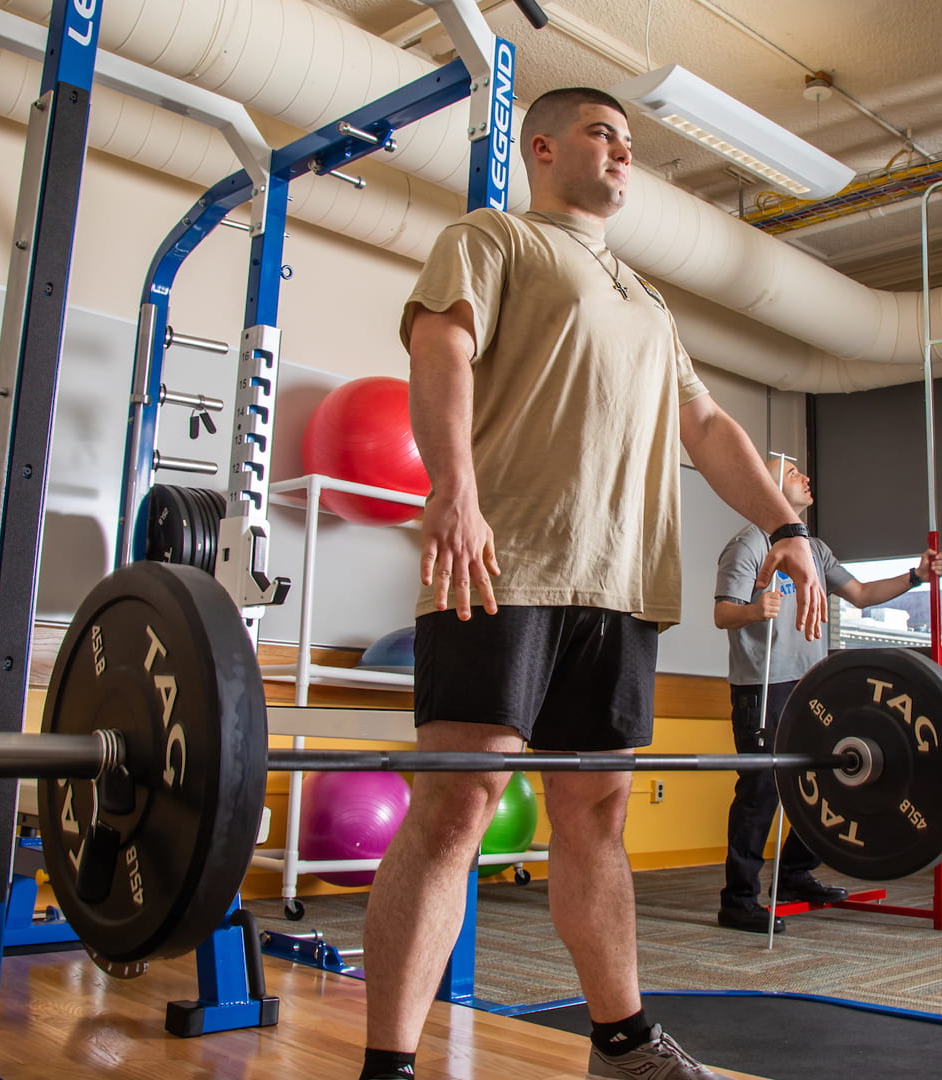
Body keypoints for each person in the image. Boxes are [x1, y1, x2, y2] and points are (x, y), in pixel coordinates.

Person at [356, 87, 827, 1080]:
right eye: (602, 135)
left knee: (596, 816)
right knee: (456, 807)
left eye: (629, 143)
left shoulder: (649, 300)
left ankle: (620, 1040)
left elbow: (705, 429)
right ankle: (388, 1063)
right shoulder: (494, 240)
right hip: (503, 563)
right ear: (542, 148)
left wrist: (785, 526)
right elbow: (440, 345)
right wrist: (452, 489)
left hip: (621, 588)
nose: (621, 154)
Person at [712, 455, 942, 933]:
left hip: (812, 684)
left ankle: (795, 874)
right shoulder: (747, 545)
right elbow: (722, 614)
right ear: (773, 488)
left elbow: (860, 594)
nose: (805, 478)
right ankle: (738, 900)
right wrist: (756, 610)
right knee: (762, 791)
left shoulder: (814, 548)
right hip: (764, 685)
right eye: (794, 472)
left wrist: (916, 576)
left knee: (832, 784)